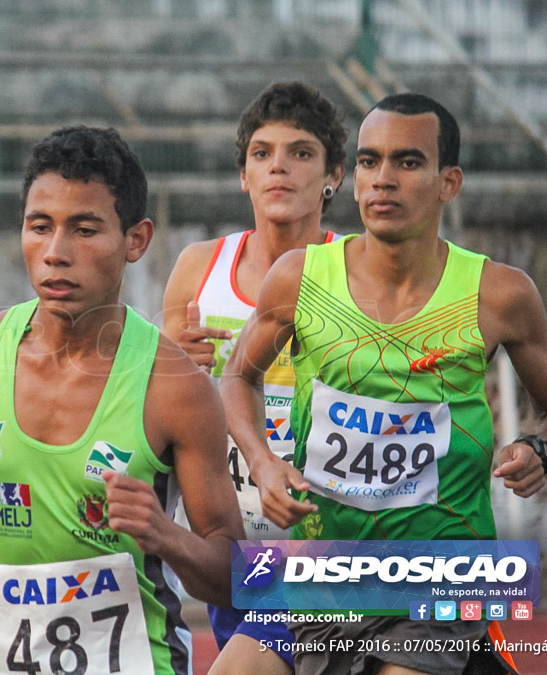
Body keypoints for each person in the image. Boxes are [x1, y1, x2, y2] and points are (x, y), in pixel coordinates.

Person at [220, 92, 547, 675]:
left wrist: (538, 450)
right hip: (324, 571)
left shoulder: (499, 294)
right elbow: (238, 377)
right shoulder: (298, 279)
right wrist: (263, 463)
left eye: (407, 162)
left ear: (449, 182)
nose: (382, 180)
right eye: (369, 161)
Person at [0, 125, 245, 674]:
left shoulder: (175, 386)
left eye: (85, 230)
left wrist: (166, 534)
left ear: (136, 240)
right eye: (40, 227)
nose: (56, 253)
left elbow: (233, 576)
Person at [161, 81, 347, 675]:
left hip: (325, 540)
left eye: (300, 152)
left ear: (333, 177)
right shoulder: (199, 267)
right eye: (262, 153)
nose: (278, 168)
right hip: (230, 539)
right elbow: (155, 397)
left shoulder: (356, 272)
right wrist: (168, 361)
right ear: (243, 176)